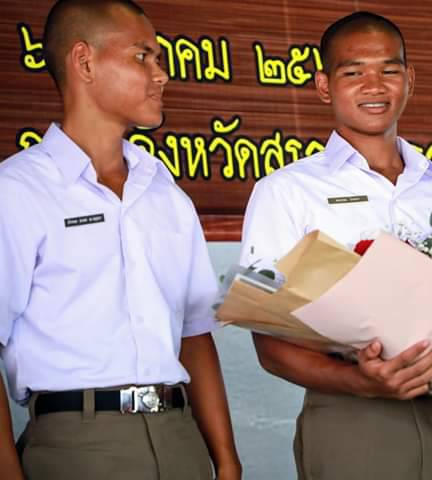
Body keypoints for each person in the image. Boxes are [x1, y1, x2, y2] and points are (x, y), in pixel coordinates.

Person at [238, 11, 432, 480]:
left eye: (388, 70)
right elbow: (268, 342)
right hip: (351, 418)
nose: (374, 86)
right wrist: (359, 380)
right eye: (353, 72)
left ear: (410, 79)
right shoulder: (284, 192)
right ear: (323, 85)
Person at [0, 1, 242, 479]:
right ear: (84, 61)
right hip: (77, 444)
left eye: (159, 60)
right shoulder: (18, 190)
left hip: (180, 435)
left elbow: (195, 336)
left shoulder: (165, 192)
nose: (160, 75)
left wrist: (227, 462)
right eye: (141, 56)